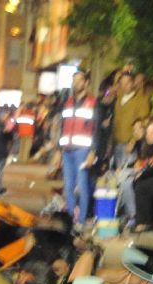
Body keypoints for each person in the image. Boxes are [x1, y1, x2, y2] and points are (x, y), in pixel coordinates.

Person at [57, 70, 96, 223]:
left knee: (82, 186)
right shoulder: (67, 103)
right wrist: (59, 150)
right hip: (67, 150)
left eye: (79, 80)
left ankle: (80, 221)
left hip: (83, 150)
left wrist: (93, 152)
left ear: (86, 83)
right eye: (74, 80)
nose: (75, 83)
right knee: (68, 187)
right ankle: (70, 220)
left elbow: (97, 130)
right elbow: (63, 127)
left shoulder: (93, 103)